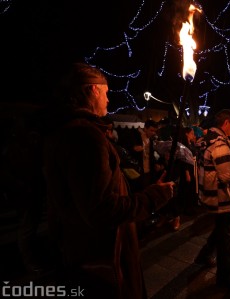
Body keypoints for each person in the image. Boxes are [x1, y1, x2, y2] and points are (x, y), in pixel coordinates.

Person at [42, 62, 175, 299]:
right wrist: (153, 198)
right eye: (106, 93)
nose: (108, 100)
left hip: (85, 252)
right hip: (101, 260)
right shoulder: (84, 136)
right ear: (93, 90)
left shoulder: (70, 131)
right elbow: (101, 210)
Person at [195, 109, 230, 290]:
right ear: (226, 124)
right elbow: (226, 176)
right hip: (221, 198)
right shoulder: (220, 144)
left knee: (220, 229)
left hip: (209, 195)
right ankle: (225, 279)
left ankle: (204, 255)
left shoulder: (207, 139)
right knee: (227, 238)